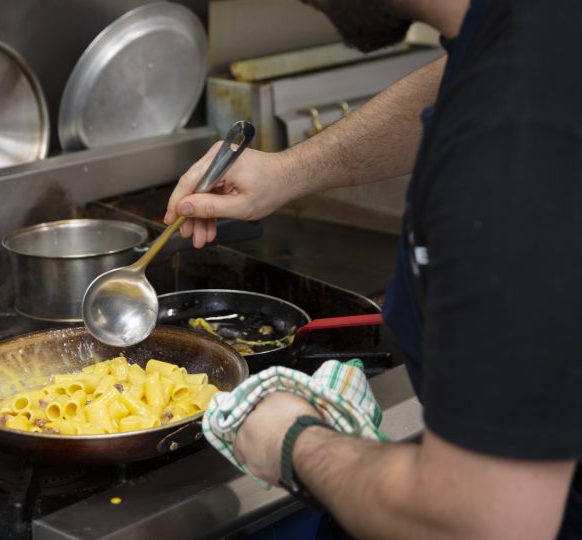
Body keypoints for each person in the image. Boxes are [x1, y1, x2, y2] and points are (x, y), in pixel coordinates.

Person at [164, 0, 582, 538]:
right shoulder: (527, 32)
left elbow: (477, 523)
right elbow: (465, 76)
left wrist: (292, 442)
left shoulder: (512, 140)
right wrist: (290, 171)